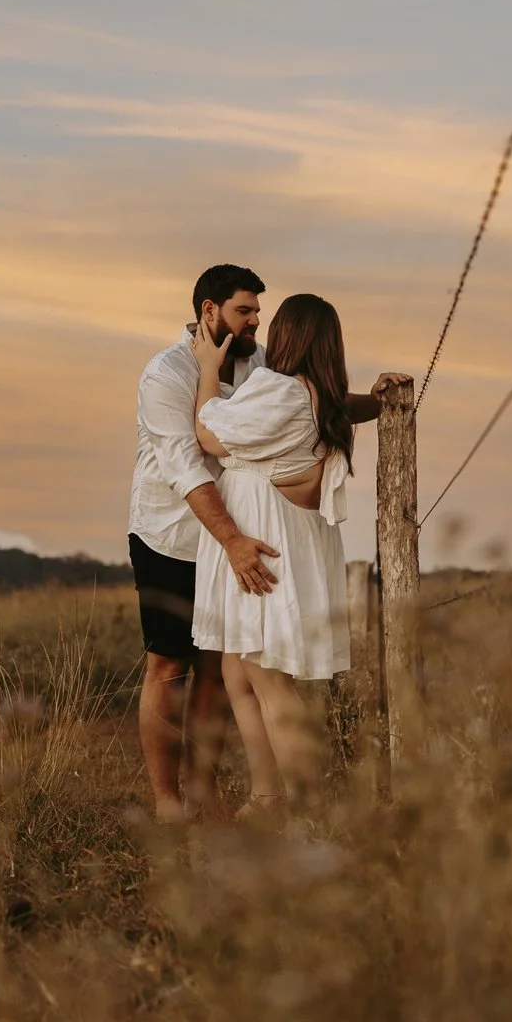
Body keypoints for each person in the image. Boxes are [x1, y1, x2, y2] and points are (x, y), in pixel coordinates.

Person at [189, 293, 408, 810]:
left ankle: (307, 811)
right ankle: (268, 795)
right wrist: (375, 400)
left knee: (266, 680)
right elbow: (346, 406)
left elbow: (207, 434)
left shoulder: (278, 389)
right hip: (282, 535)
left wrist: (206, 368)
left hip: (264, 538)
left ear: (287, 337)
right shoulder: (319, 396)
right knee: (239, 672)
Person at [128, 265, 284, 823]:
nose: (255, 321)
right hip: (171, 535)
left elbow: (304, 403)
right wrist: (235, 541)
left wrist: (377, 399)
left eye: (257, 311)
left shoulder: (258, 362)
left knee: (218, 672)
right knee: (169, 667)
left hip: (231, 541)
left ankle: (203, 792)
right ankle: (167, 803)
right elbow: (186, 469)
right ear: (210, 311)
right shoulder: (165, 374)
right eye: (245, 310)